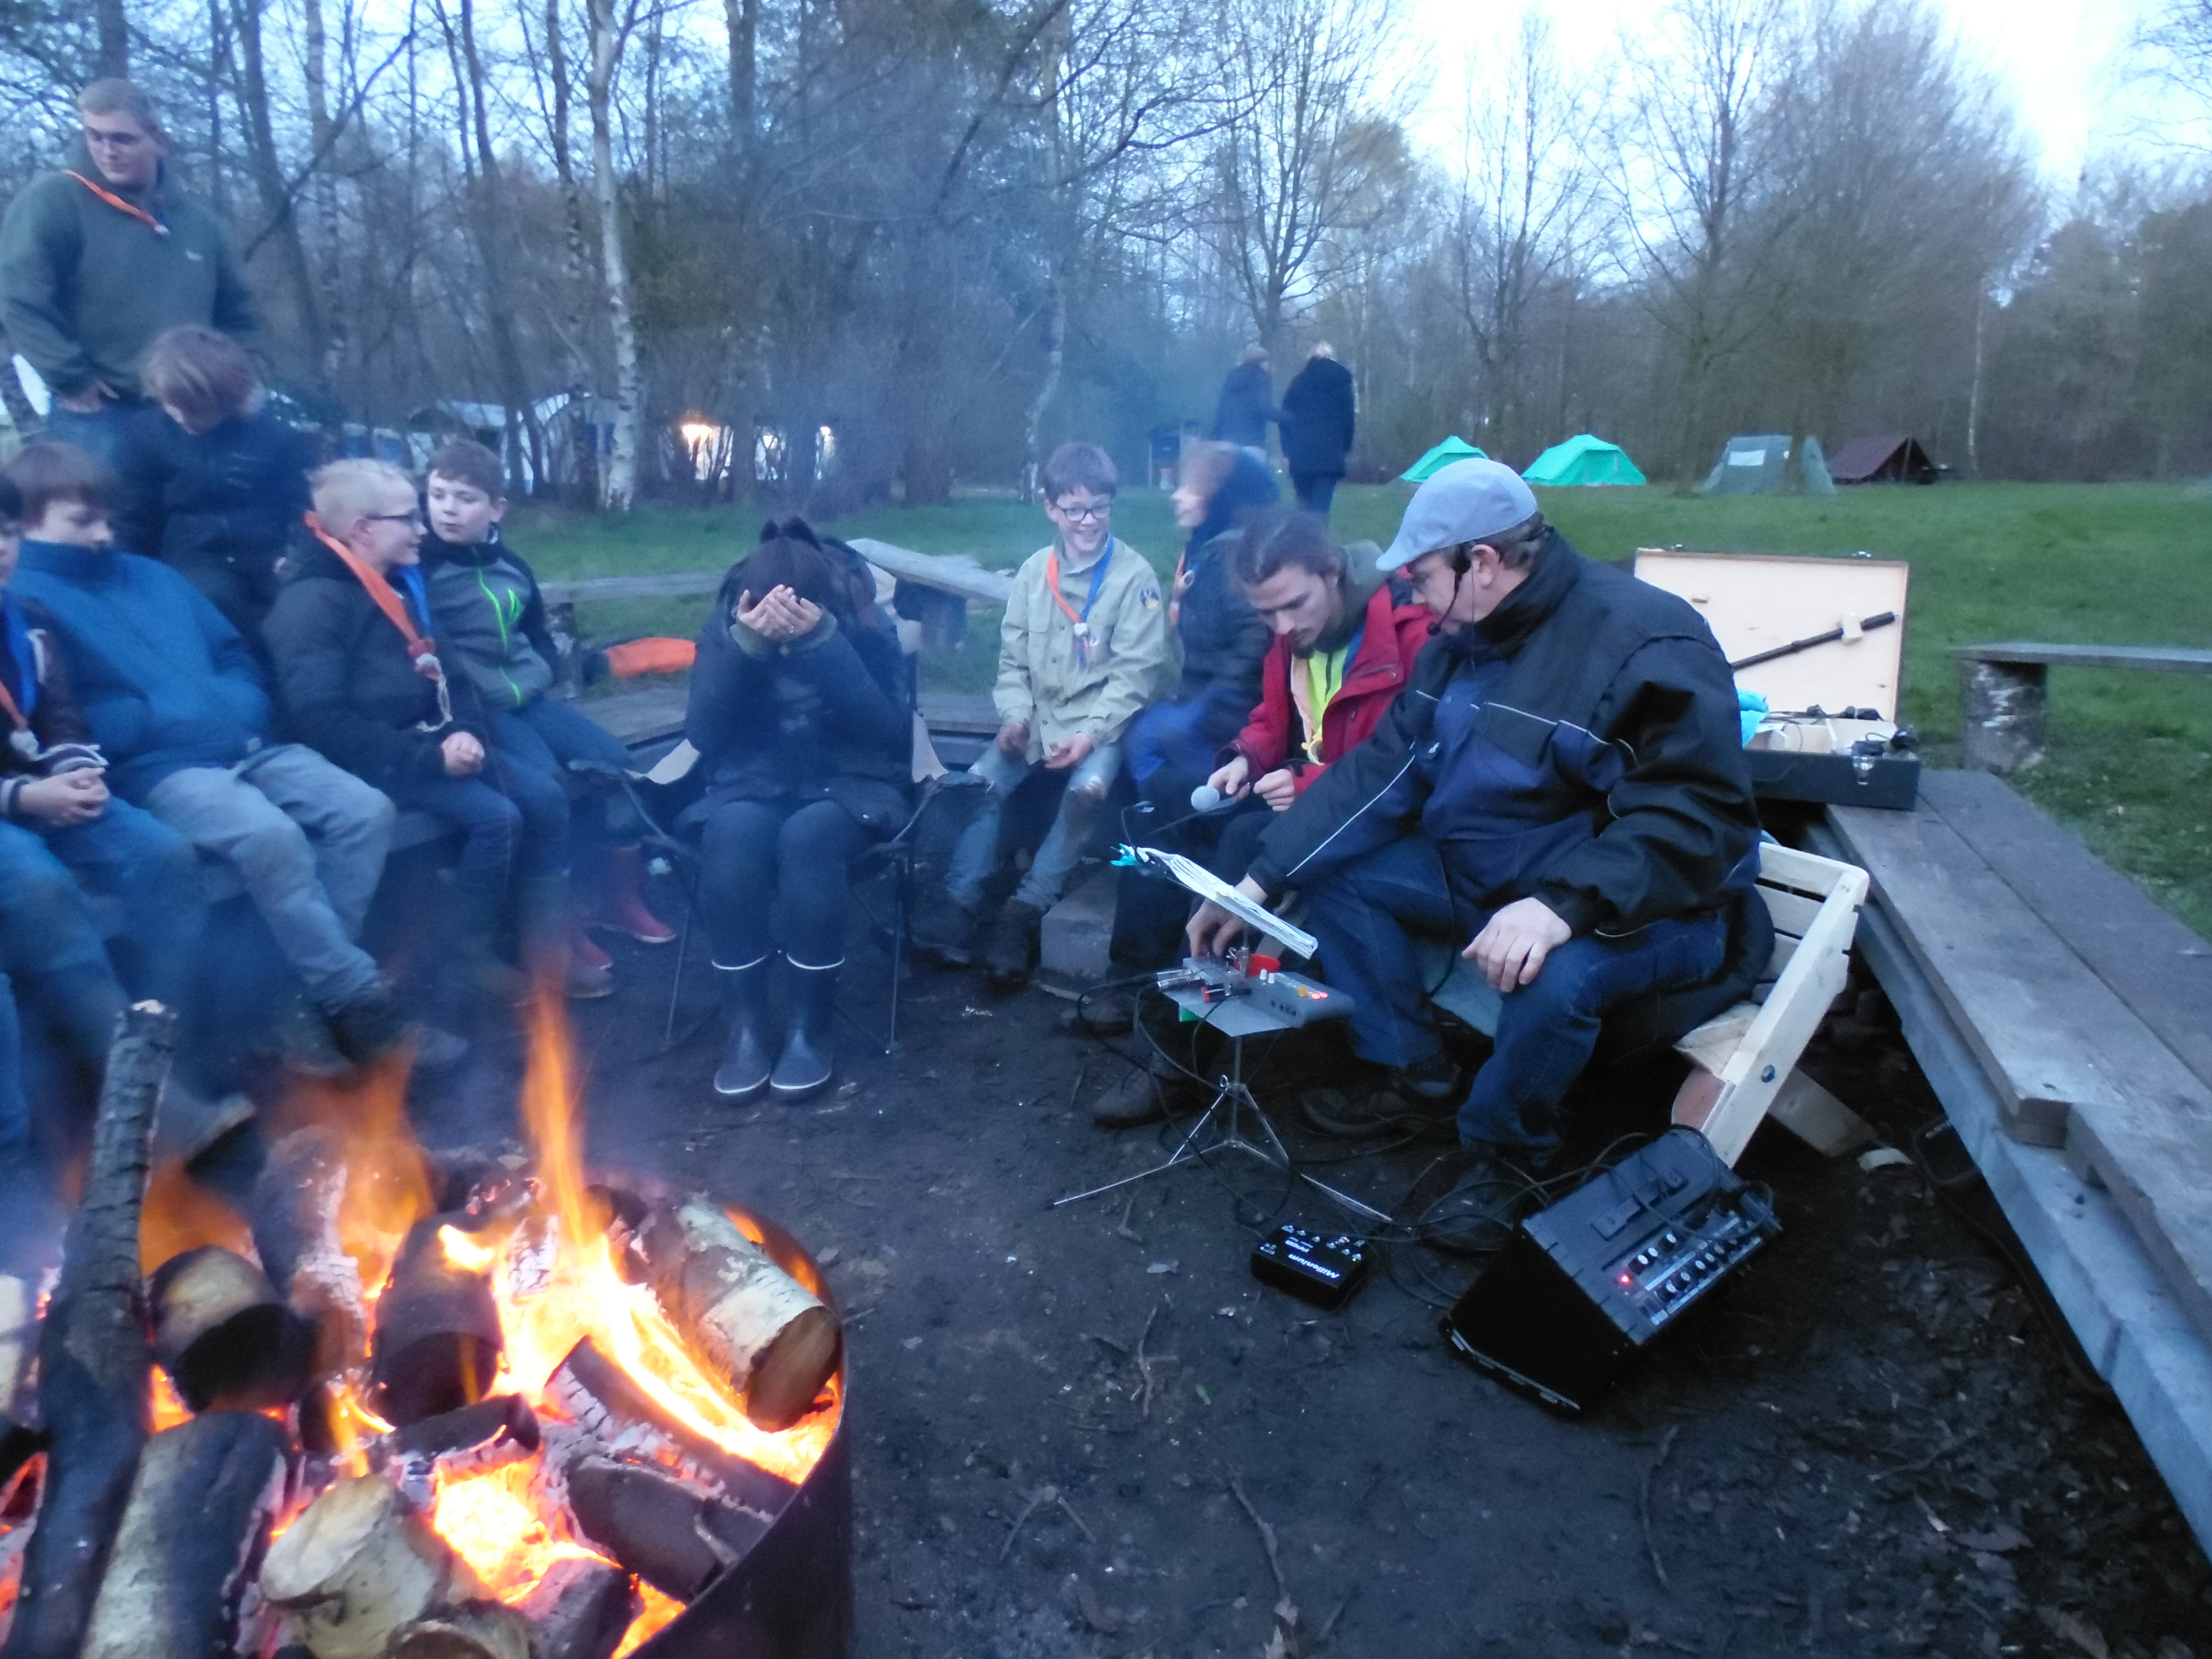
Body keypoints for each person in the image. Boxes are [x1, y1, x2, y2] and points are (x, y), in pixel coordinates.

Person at [1187, 459, 1768, 1244]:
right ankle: (1413, 1074)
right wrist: (1255, 881)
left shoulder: (1642, 638)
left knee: (1553, 977)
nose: (1410, 596)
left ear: (1484, 562)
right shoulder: (1461, 644)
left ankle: (1508, 1157)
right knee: (1341, 876)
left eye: (1422, 576)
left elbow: (1698, 812)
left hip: (1663, 908)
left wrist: (1562, 906)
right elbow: (1377, 772)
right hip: (1504, 881)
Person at [3, 441, 430, 1073]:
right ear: (30, 521)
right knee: (271, 838)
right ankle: (353, 995)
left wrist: (241, 703)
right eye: (82, 522)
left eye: (106, 518)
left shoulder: (151, 575)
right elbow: (65, 710)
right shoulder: (34, 598)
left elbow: (232, 652)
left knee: (364, 812)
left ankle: (297, 998)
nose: (103, 533)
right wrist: (156, 720)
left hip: (247, 743)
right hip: (158, 770)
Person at [1088, 507, 1433, 1125]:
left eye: (1293, 606)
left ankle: (1178, 1057)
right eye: (1266, 614)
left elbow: (1401, 763)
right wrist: (1247, 756)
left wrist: (1308, 783)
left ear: (1332, 573)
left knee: (1245, 840)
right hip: (1305, 797)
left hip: (1383, 819)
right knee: (1164, 800)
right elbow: (1275, 719)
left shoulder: (1408, 629)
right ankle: (1132, 983)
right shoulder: (1294, 633)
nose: (1282, 626)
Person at [264, 459, 583, 1004]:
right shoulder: (312, 603)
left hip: (436, 743)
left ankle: (543, 943)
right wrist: (433, 759)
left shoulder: (395, 586)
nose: (422, 528)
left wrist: (464, 731)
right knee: (497, 817)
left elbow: (452, 675)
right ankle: (470, 955)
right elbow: (320, 721)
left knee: (546, 798)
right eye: (409, 517)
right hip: (378, 759)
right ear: (362, 530)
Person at [0, 467, 244, 1172]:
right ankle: (148, 1101)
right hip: (14, 809)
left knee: (162, 855)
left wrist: (74, 767)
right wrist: (25, 800)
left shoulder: (26, 617)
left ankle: (166, 1044)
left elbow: (60, 711)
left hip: (45, 787)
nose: (2, 549)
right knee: (38, 884)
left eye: (9, 532)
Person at [910, 442, 1169, 987]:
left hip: (1101, 726)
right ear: (1051, 507)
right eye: (1075, 509)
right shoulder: (1034, 574)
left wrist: (1090, 734)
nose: (1089, 521)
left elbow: (1135, 677)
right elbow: (1012, 664)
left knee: (1087, 793)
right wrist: (1015, 720)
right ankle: (959, 904)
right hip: (1037, 717)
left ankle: (1023, 915)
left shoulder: (1135, 578)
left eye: (1100, 507)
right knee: (979, 783)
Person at [415, 439, 672, 989]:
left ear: (496, 509)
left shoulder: (512, 568)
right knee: (550, 788)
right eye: (437, 495)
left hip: (530, 698)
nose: (447, 509)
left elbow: (539, 641)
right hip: (479, 710)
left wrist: (542, 673)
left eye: (464, 498)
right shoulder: (423, 572)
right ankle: (556, 925)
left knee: (619, 766)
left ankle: (615, 901)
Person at [683, 518, 913, 1103]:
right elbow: (706, 735)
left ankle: (811, 1028)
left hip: (851, 781)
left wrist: (825, 647)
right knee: (733, 834)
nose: (782, 628)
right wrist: (745, 649)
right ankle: (748, 1027)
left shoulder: (859, 619)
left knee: (808, 838)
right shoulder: (730, 620)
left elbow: (890, 731)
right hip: (752, 780)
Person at [1092, 443, 1275, 1010]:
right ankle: (1134, 974)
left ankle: (1144, 981)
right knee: (1148, 807)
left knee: (1158, 812)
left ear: (1224, 498)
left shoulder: (1243, 562)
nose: (1177, 493)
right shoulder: (1210, 553)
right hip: (1211, 722)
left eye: (1192, 486)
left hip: (1236, 739)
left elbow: (1253, 654)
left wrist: (1200, 716)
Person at [0, 80, 257, 469]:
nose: (108, 151)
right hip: (98, 411)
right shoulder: (53, 202)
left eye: (123, 139)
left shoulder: (201, 225)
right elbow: (20, 299)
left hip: (192, 413)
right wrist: (69, 376)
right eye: (95, 136)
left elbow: (240, 315)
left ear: (160, 142)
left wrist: (233, 381)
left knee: (197, 524)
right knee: (103, 526)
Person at [112, 324, 315, 641]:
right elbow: (132, 519)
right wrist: (133, 582)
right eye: (171, 405)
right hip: (194, 559)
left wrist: (295, 554)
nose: (182, 417)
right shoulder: (145, 437)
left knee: (298, 609)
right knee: (214, 604)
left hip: (268, 554)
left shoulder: (274, 437)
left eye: (195, 409)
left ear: (229, 401)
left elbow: (301, 506)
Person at [1279, 343, 1356, 515]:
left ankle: (1300, 540)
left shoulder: (1298, 383)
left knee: (1302, 509)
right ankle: (1318, 540)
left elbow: (1285, 419)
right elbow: (1348, 420)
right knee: (1322, 508)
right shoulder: (1342, 383)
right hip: (1330, 455)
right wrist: (1345, 448)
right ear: (1332, 357)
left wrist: (1286, 450)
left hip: (1301, 454)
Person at [1208, 346, 1284, 456]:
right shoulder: (1262, 377)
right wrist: (1291, 418)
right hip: (1252, 443)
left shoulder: (1231, 378)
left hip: (1228, 445)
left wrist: (1215, 440)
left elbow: (1222, 412)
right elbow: (1264, 409)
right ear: (1263, 362)